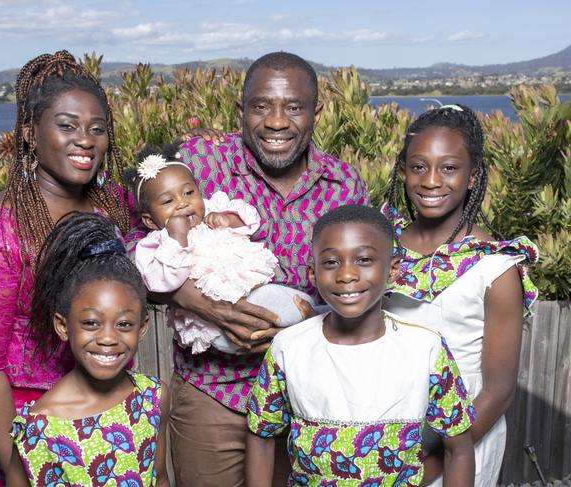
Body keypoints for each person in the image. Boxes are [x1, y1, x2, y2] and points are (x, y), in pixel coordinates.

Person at [148, 51, 369, 485]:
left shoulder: (346, 186)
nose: (276, 122)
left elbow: (359, 284)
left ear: (316, 113)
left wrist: (300, 325)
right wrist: (205, 306)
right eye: (261, 106)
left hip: (306, 398)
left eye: (293, 107)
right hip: (213, 392)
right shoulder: (198, 164)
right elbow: (133, 252)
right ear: (241, 110)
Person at [0, 50, 134, 486]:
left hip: (112, 421)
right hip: (27, 423)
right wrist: (18, 466)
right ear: (30, 133)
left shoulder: (113, 210)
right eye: (67, 125)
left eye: (97, 128)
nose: (85, 139)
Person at [245, 204, 476, 485]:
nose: (347, 275)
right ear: (313, 274)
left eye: (364, 260)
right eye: (331, 262)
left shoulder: (426, 348)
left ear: (392, 270)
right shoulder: (288, 348)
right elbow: (261, 435)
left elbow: (459, 449)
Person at [382, 104, 539, 485]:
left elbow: (499, 392)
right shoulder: (381, 245)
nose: (431, 180)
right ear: (403, 172)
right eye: (419, 166)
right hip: (383, 432)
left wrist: (433, 465)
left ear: (473, 177)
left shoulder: (495, 268)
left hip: (461, 442)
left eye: (449, 168)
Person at [6, 212, 169, 487]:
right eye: (91, 323)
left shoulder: (153, 398)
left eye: (124, 324)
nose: (108, 338)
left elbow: (160, 479)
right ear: (63, 325)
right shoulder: (37, 431)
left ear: (142, 328)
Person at [128, 145, 319, 354]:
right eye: (168, 200)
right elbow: (163, 282)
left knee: (269, 303)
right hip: (210, 320)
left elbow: (252, 222)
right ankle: (247, 338)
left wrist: (229, 219)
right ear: (150, 221)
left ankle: (301, 316)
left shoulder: (212, 209)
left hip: (247, 287)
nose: (183, 203)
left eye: (189, 192)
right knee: (226, 335)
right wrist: (178, 238)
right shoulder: (156, 245)